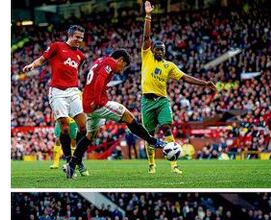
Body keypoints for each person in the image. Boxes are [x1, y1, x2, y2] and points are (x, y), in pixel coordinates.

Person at [140, 2, 218, 175]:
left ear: (165, 52)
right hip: (146, 101)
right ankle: (152, 164)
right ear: (152, 50)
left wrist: (205, 83)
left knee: (167, 127)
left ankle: (174, 165)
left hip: (161, 101)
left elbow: (185, 78)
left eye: (162, 50)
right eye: (157, 49)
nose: (159, 51)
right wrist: (148, 16)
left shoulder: (169, 66)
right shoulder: (147, 57)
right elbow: (146, 38)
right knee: (149, 134)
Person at [65, 49, 167, 178]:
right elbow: (99, 80)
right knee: (128, 117)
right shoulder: (111, 62)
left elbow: (94, 79)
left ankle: (72, 164)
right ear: (120, 60)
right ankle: (152, 140)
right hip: (97, 104)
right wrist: (97, 100)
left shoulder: (100, 60)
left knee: (90, 136)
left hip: (87, 104)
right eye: (123, 66)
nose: (122, 69)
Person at [22, 25, 89, 172]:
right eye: (77, 37)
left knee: (84, 127)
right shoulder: (57, 46)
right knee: (64, 128)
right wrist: (32, 65)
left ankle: (77, 158)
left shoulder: (81, 56)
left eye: (81, 38)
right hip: (57, 92)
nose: (79, 40)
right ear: (70, 35)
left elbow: (75, 71)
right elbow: (42, 59)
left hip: (73, 91)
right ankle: (69, 161)